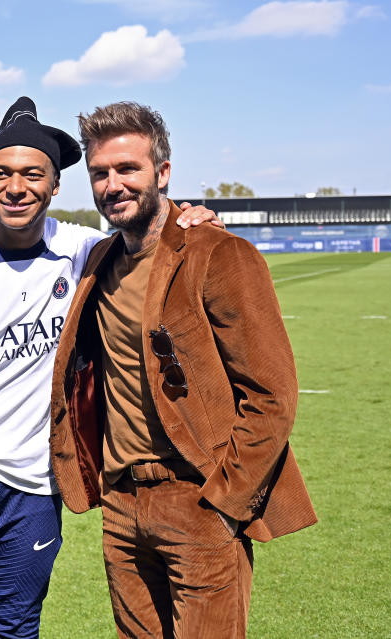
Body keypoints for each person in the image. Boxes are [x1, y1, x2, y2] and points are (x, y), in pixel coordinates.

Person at [0, 96, 220, 639]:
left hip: (36, 484)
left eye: (32, 174)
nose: (16, 187)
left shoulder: (83, 249)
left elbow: (149, 231)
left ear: (55, 185)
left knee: (16, 627)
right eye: (2, 173)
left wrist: (189, 215)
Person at [49, 101, 318, 638]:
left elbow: (272, 395)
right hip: (122, 506)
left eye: (129, 169)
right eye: (100, 173)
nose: (113, 184)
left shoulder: (219, 253)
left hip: (197, 500)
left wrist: (224, 504)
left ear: (163, 173)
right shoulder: (98, 260)